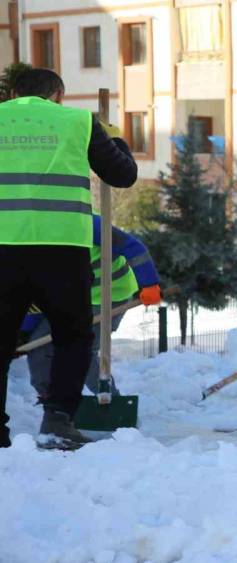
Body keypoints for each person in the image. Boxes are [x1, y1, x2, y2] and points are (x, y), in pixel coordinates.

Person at [0, 69, 137, 450]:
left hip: (2, 248)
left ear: (12, 94)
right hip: (61, 251)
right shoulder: (79, 122)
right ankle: (57, 420)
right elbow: (122, 176)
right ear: (58, 95)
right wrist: (115, 140)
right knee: (73, 337)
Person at [19, 215, 161, 399]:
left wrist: (149, 283)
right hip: (72, 297)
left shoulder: (83, 222)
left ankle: (110, 401)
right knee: (39, 345)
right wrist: (24, 333)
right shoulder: (26, 242)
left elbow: (132, 247)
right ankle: (51, 403)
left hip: (109, 295)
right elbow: (36, 297)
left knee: (82, 348)